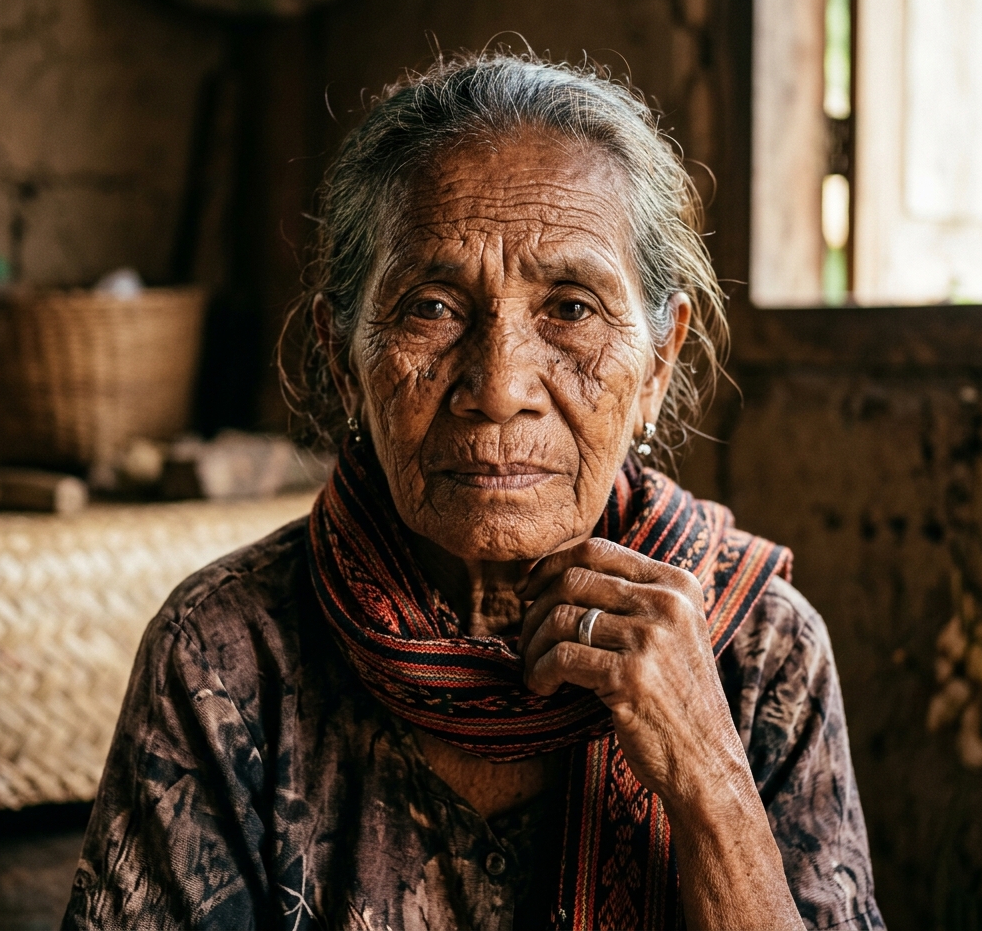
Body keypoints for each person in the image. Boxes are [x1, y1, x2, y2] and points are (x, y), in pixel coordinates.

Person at [62, 52, 884, 931]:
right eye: (431, 308)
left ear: (657, 363)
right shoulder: (226, 657)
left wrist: (709, 784)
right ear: (345, 360)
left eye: (571, 308)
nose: (499, 385)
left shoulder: (761, 651)